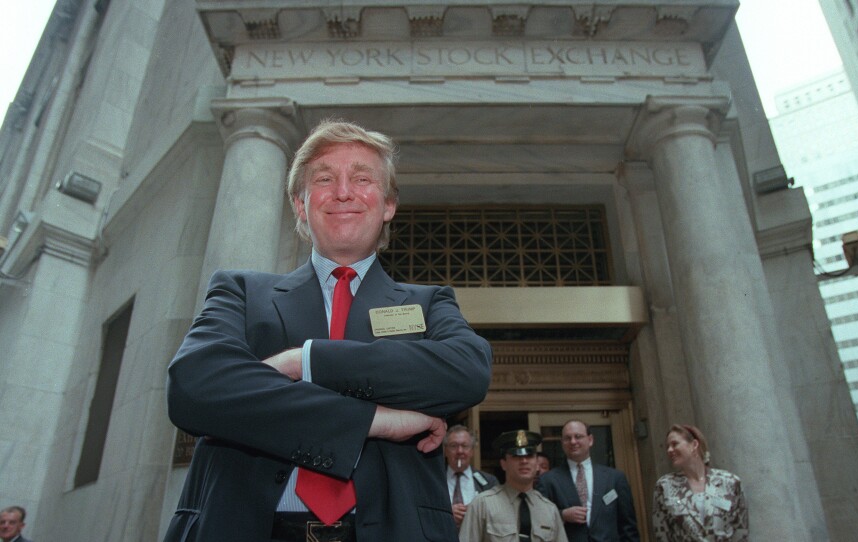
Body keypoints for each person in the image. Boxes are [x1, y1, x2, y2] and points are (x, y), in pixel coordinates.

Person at [163, 120, 493, 542]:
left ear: (388, 204)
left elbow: (466, 371)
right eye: (324, 179)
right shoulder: (242, 292)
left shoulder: (428, 303)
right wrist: (376, 420)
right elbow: (193, 387)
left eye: (362, 178)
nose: (343, 192)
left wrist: (306, 361)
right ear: (300, 205)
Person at [537, 420, 639, 542]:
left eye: (578, 436)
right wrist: (562, 515)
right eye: (567, 438)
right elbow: (539, 520)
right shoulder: (548, 480)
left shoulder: (614, 478)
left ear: (590, 440)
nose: (573, 441)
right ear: (562, 443)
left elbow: (628, 526)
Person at [460, 430, 568, 542]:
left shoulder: (549, 510)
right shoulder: (482, 505)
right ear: (503, 463)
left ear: (537, 464)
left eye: (529, 455)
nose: (524, 461)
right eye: (516, 456)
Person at [652, 424, 748, 541]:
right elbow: (662, 535)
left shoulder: (730, 482)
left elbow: (741, 532)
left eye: (674, 444)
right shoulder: (665, 486)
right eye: (667, 446)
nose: (669, 450)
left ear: (694, 445)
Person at [444, 425, 499, 528]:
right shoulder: (433, 481)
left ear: (472, 451)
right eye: (453, 446)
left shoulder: (489, 482)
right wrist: (445, 513)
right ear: (445, 451)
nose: (459, 451)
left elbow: (498, 516)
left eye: (465, 446)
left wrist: (475, 512)